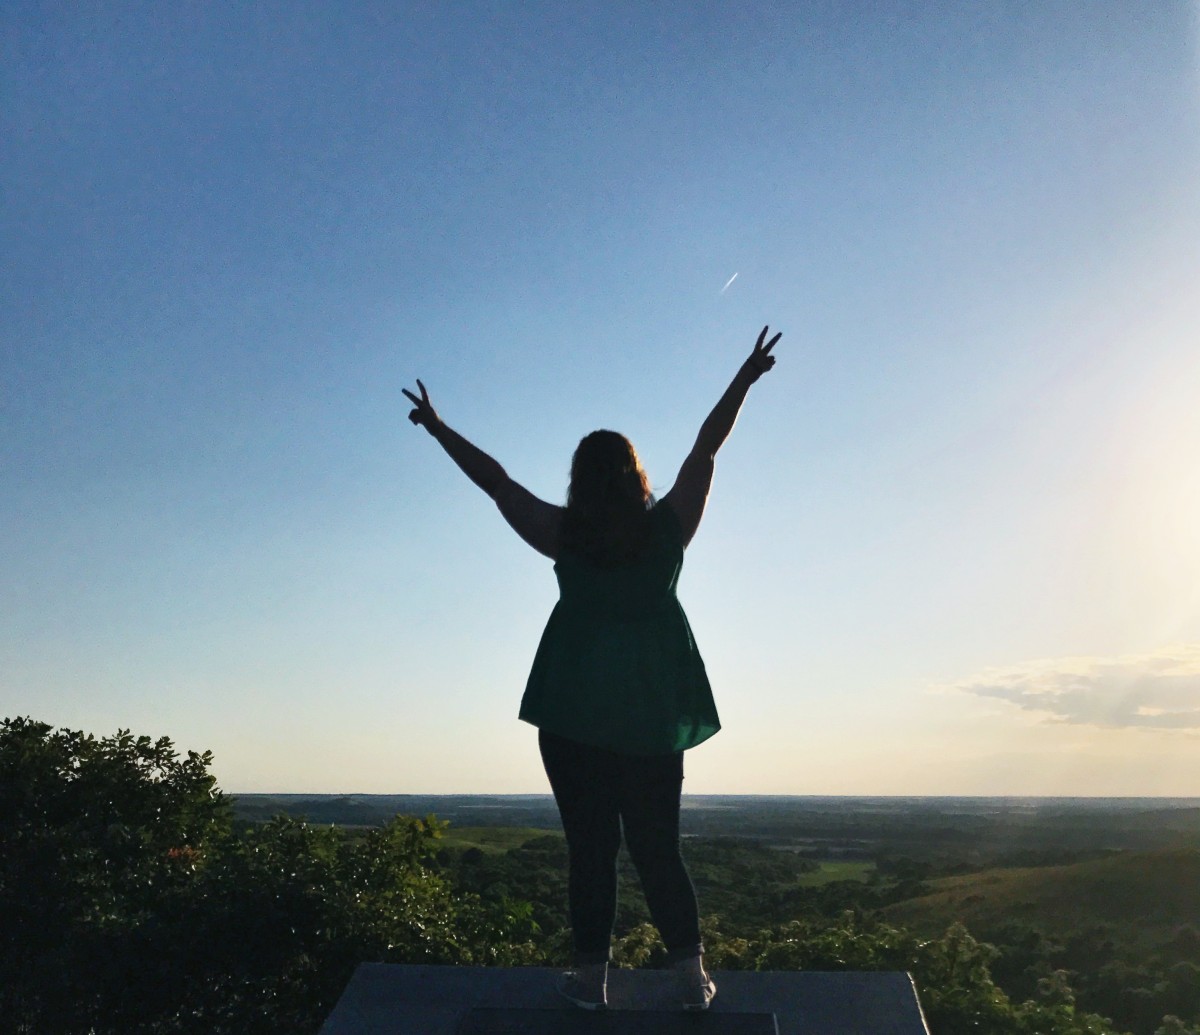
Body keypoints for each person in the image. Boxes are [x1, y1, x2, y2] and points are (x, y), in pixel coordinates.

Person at [403, 325, 780, 1011]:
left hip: (573, 714)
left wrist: (437, 427)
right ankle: (690, 978)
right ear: (636, 476)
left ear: (579, 479)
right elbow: (705, 447)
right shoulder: (668, 530)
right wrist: (745, 378)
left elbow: (497, 483)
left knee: (590, 849)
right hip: (650, 717)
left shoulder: (563, 535)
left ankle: (589, 978)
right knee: (658, 847)